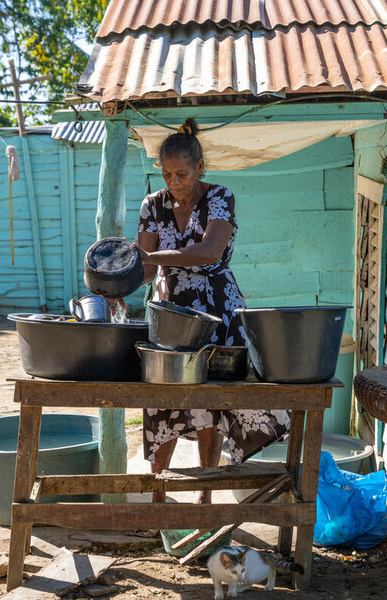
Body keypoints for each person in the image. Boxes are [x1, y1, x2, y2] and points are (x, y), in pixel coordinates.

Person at [136, 118, 290, 504]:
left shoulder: (220, 197)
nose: (174, 182)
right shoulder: (152, 206)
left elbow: (209, 252)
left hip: (219, 311)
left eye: (182, 174)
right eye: (167, 174)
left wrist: (149, 257)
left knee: (211, 401)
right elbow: (144, 268)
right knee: (164, 400)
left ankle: (205, 494)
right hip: (170, 317)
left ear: (200, 168)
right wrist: (114, 286)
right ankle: (159, 494)